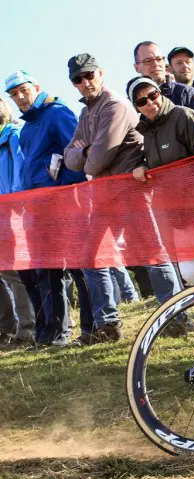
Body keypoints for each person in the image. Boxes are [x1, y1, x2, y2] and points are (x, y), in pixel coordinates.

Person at [63, 54, 183, 343]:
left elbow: (96, 160)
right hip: (104, 196)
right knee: (91, 257)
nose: (85, 82)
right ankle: (109, 324)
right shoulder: (85, 113)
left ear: (100, 73)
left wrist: (86, 153)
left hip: (132, 191)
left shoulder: (115, 104)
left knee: (153, 255)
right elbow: (71, 159)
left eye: (89, 75)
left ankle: (177, 316)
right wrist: (83, 153)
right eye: (78, 79)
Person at [125, 76, 194, 331]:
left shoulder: (183, 115)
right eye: (142, 101)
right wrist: (141, 167)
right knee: (190, 271)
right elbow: (155, 165)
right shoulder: (146, 133)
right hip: (176, 211)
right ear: (136, 106)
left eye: (152, 95)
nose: (150, 102)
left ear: (159, 93)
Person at [5, 70, 87, 347]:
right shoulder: (27, 127)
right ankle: (54, 332)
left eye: (23, 90)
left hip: (61, 202)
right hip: (35, 206)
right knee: (46, 270)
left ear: (36, 87)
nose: (20, 98)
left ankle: (89, 328)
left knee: (76, 267)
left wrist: (65, 190)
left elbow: (75, 154)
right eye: (14, 94)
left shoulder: (57, 112)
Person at [0, 96, 35, 348]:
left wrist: (15, 204)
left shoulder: (13, 134)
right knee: (6, 273)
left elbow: (21, 170)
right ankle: (12, 327)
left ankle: (28, 329)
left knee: (18, 272)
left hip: (13, 211)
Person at [133, 42, 194, 116]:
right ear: (137, 67)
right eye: (148, 61)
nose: (156, 64)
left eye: (159, 59)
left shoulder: (186, 93)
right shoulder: (131, 105)